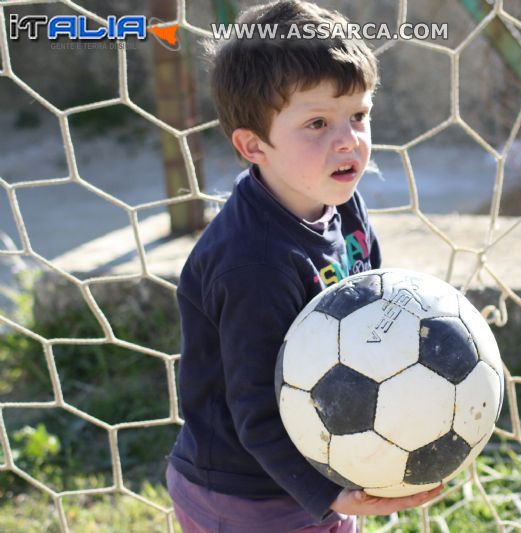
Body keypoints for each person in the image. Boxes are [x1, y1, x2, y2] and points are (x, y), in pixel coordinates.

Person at [165, 1, 442, 531]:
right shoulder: (253, 264)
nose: (348, 141)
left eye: (358, 116)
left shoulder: (342, 202)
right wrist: (328, 493)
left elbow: (371, 319)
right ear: (253, 145)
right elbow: (254, 410)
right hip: (246, 492)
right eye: (317, 122)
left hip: (316, 464)